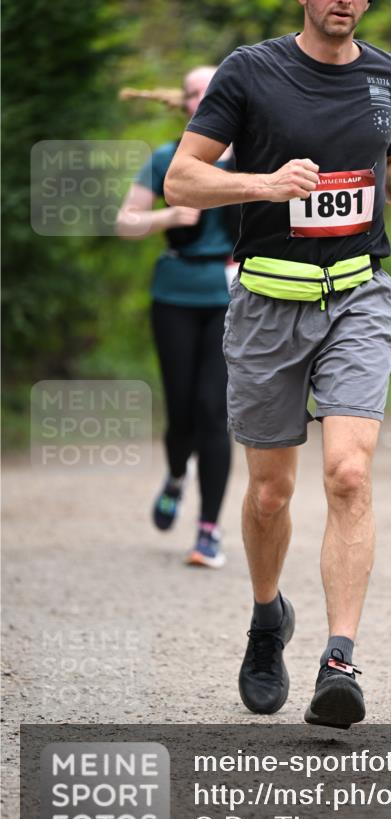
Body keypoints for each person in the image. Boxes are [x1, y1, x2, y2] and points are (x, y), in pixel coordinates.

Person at [164, 0, 391, 727]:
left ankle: (339, 661)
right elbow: (184, 178)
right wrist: (263, 183)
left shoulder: (390, 76)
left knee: (349, 474)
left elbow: (390, 157)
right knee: (268, 494)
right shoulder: (250, 72)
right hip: (265, 304)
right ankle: (265, 621)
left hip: (357, 293)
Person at [116, 66, 239, 569]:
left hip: (234, 298)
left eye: (209, 93)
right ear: (183, 103)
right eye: (192, 94)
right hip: (175, 294)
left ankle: (208, 530)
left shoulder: (253, 161)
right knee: (182, 412)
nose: (199, 101)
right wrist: (166, 216)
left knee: (215, 411)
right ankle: (174, 473)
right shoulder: (167, 160)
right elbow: (125, 221)